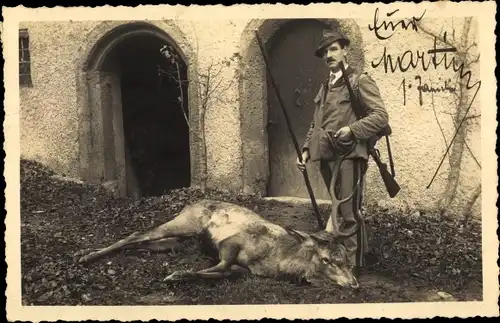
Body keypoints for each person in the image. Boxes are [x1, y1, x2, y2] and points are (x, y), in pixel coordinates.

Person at [297, 29, 389, 278]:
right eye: (325, 51)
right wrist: (306, 148)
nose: (329, 55)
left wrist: (352, 129)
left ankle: (351, 265)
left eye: (334, 49)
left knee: (349, 212)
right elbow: (317, 123)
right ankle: (360, 253)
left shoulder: (360, 80)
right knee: (341, 208)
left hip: (350, 154)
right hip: (327, 154)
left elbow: (380, 117)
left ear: (345, 50)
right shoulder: (325, 86)